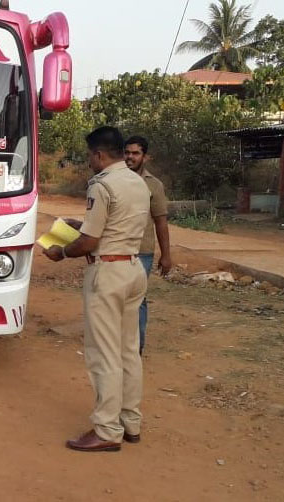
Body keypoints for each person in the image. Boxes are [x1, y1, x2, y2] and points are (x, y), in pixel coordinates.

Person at [43, 126, 150, 452]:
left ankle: (106, 430)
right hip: (133, 267)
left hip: (108, 273)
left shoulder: (101, 185)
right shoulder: (138, 182)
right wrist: (82, 227)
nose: (90, 162)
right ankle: (130, 422)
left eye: (91, 156)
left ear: (99, 154)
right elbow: (112, 225)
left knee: (103, 353)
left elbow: (90, 241)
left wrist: (61, 251)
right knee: (128, 350)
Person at [124, 136, 172, 354]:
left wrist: (166, 255)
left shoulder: (154, 185)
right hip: (116, 250)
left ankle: (137, 348)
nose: (130, 157)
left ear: (145, 157)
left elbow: (161, 221)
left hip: (142, 251)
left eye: (135, 153)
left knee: (138, 299)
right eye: (127, 152)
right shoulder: (116, 180)